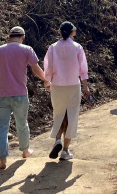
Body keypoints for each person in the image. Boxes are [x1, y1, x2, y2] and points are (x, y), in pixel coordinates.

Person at [0, 26, 46, 170]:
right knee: (22, 123)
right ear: (23, 37)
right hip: (20, 93)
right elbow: (35, 68)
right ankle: (25, 151)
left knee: (1, 127)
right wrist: (47, 79)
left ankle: (2, 161)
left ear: (8, 37)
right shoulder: (27, 49)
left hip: (1, 94)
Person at [43, 22, 90, 161]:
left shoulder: (52, 48)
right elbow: (83, 69)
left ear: (60, 32)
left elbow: (48, 68)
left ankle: (57, 140)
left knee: (58, 114)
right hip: (73, 86)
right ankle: (65, 150)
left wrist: (47, 82)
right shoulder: (77, 47)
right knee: (71, 116)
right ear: (72, 32)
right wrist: (86, 87)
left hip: (57, 85)